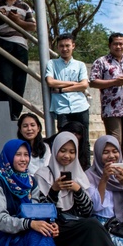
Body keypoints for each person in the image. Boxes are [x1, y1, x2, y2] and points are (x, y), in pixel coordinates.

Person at [90, 32, 123, 162]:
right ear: (110, 45)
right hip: (112, 109)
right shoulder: (101, 62)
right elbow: (93, 82)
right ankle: (114, 172)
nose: (118, 46)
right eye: (115, 44)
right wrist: (113, 82)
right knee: (114, 142)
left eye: (121, 44)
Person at [45, 32, 91, 169]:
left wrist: (62, 89)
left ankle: (85, 168)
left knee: (84, 140)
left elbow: (84, 85)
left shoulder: (80, 65)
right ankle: (64, 168)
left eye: (67, 45)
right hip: (62, 108)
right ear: (57, 48)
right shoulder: (52, 63)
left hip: (80, 106)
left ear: (73, 46)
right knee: (63, 140)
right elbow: (50, 82)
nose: (64, 49)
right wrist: (73, 84)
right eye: (61, 46)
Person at [0, 0, 36, 119]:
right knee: (5, 80)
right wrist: (1, 17)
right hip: (2, 42)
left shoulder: (24, 6)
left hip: (21, 46)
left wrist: (17, 21)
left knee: (19, 81)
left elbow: (32, 26)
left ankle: (16, 114)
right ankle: (6, 114)